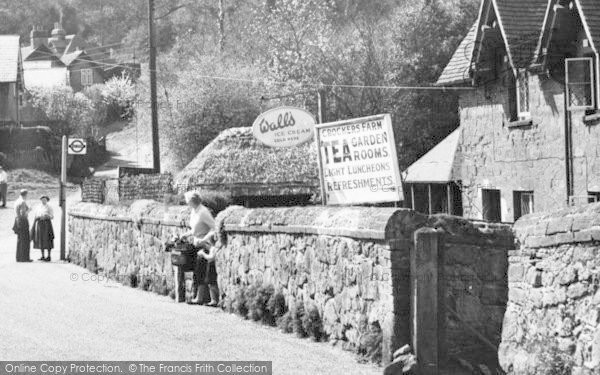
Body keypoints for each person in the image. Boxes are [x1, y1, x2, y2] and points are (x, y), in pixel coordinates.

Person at [182, 191, 217, 305]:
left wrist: (204, 239)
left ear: (192, 201)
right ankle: (198, 297)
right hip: (196, 244)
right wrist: (185, 234)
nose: (187, 203)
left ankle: (200, 298)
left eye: (188, 201)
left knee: (202, 270)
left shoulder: (203, 212)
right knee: (198, 270)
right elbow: (194, 229)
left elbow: (214, 227)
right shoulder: (194, 211)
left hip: (205, 245)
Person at [31, 195, 54, 262]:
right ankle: (42, 255)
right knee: (40, 239)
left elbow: (52, 216)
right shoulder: (38, 207)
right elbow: (36, 215)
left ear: (47, 200)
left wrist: (47, 216)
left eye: (45, 199)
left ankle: (49, 256)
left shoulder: (49, 207)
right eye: (42, 199)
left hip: (47, 224)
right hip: (40, 224)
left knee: (48, 239)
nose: (43, 201)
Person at [12, 189, 31, 262]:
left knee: (20, 239)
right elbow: (23, 213)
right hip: (23, 221)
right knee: (25, 239)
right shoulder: (22, 202)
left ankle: (19, 257)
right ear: (25, 194)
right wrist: (29, 210)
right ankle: (25, 257)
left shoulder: (17, 201)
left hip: (17, 220)